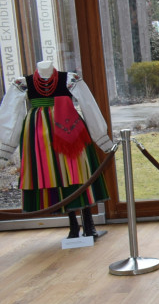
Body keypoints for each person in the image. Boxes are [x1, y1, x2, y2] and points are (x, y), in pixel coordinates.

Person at [0, 60, 113, 239]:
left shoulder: (69, 79)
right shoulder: (23, 83)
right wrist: (5, 148)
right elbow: (10, 116)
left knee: (76, 173)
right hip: (40, 136)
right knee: (59, 176)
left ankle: (86, 225)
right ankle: (75, 226)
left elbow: (88, 106)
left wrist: (101, 137)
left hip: (65, 131)